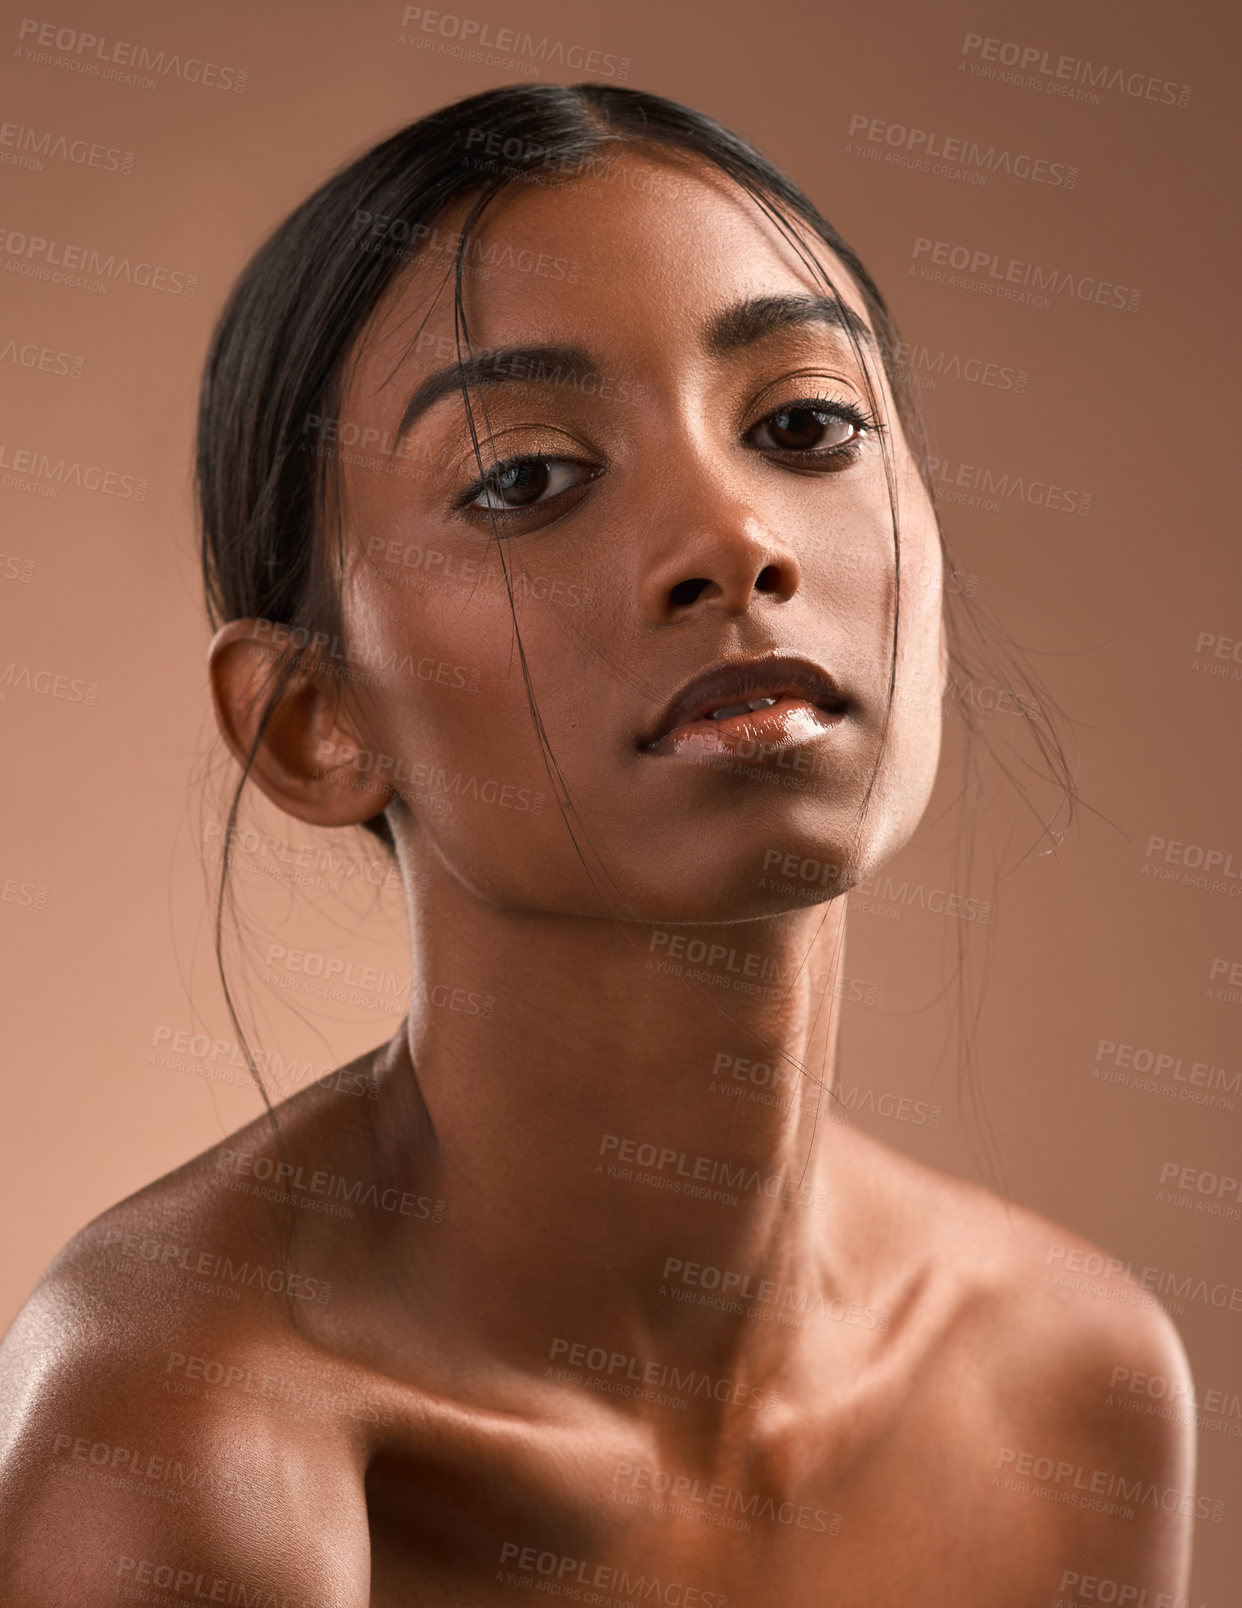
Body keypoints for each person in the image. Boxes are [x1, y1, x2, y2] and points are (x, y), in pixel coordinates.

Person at [0, 84, 1194, 1606]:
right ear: (312, 720)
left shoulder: (1066, 1386)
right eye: (526, 478)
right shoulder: (192, 1434)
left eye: (805, 425)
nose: (734, 539)